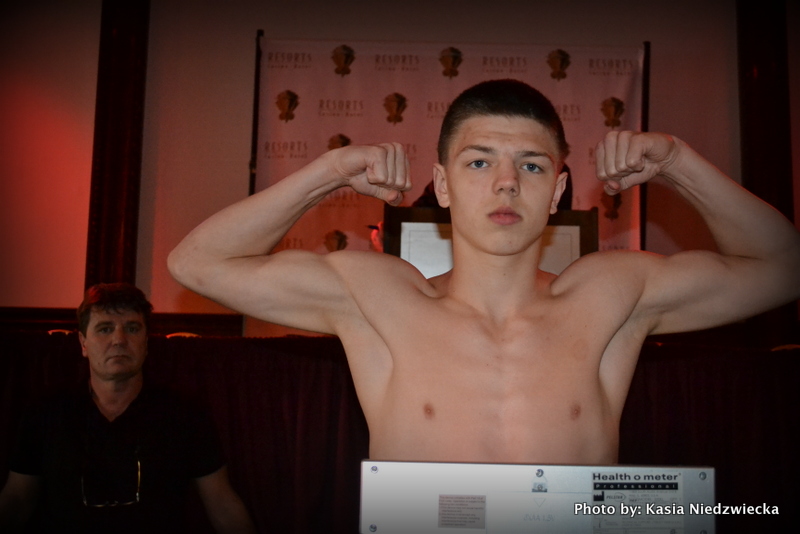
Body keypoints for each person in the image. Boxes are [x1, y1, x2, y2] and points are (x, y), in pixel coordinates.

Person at [168, 79, 800, 465]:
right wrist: (328, 173)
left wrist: (679, 163)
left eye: (531, 165)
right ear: (441, 184)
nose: (505, 182)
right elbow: (196, 263)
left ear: (557, 192)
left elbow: (783, 268)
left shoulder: (610, 295)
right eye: (478, 162)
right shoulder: (378, 297)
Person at [0, 283, 255, 533]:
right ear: (83, 343)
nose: (119, 340)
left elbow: (222, 504)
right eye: (105, 329)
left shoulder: (185, 413)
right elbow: (17, 501)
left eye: (132, 328)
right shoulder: (46, 412)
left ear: (146, 342)